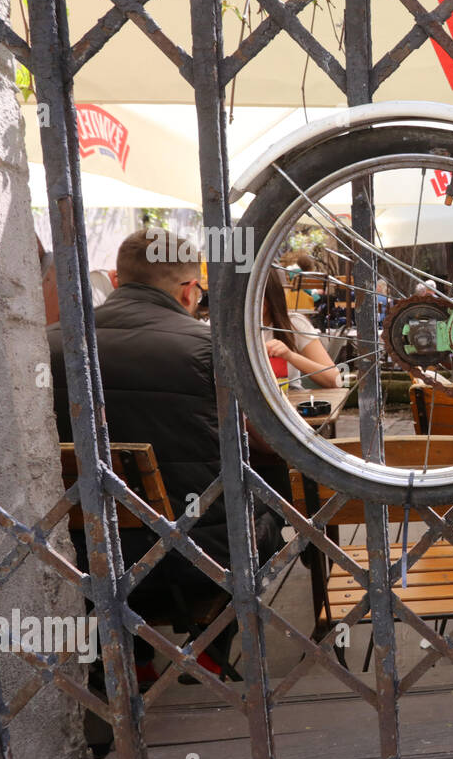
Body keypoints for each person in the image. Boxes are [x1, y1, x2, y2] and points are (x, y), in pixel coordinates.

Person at [46, 228, 284, 686]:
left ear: (116, 280)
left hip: (84, 550)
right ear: (189, 290)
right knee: (271, 511)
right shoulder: (210, 347)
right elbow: (267, 441)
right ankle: (209, 649)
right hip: (198, 552)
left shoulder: (52, 344)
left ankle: (129, 657)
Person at [262, 268, 339, 389]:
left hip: (289, 402)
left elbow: (334, 380)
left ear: (270, 293)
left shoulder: (293, 325)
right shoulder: (231, 332)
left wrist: (290, 356)